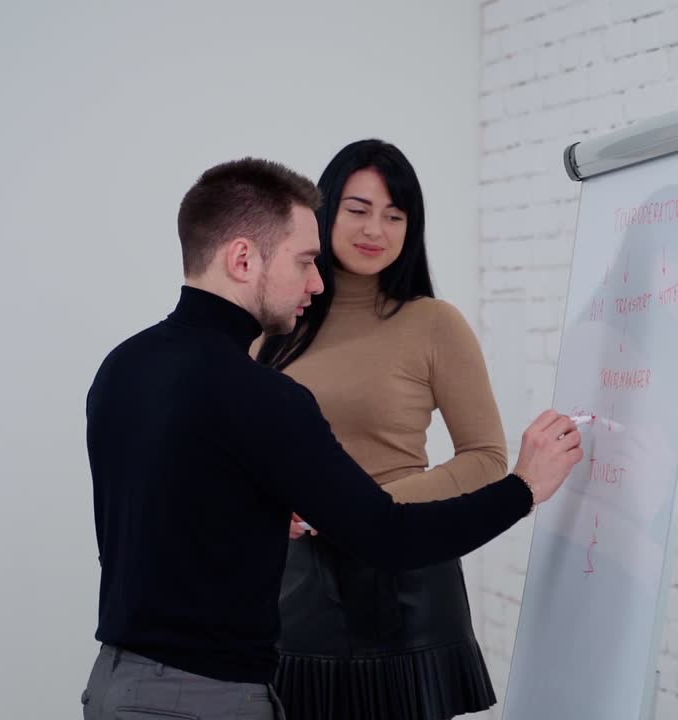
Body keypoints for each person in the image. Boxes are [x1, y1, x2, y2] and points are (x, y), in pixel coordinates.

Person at [81, 157, 585, 720]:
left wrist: (273, 507)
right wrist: (524, 488)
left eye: (395, 215)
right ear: (243, 258)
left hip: (117, 682)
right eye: (304, 261)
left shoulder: (122, 366)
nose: (315, 281)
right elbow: (386, 534)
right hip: (210, 694)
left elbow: (183, 503)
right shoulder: (262, 390)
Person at [257, 139, 507, 719]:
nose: (377, 229)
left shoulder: (434, 323)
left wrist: (360, 509)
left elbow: (487, 457)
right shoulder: (274, 322)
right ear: (326, 213)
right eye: (359, 209)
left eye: (396, 215)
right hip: (292, 586)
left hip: (406, 583)